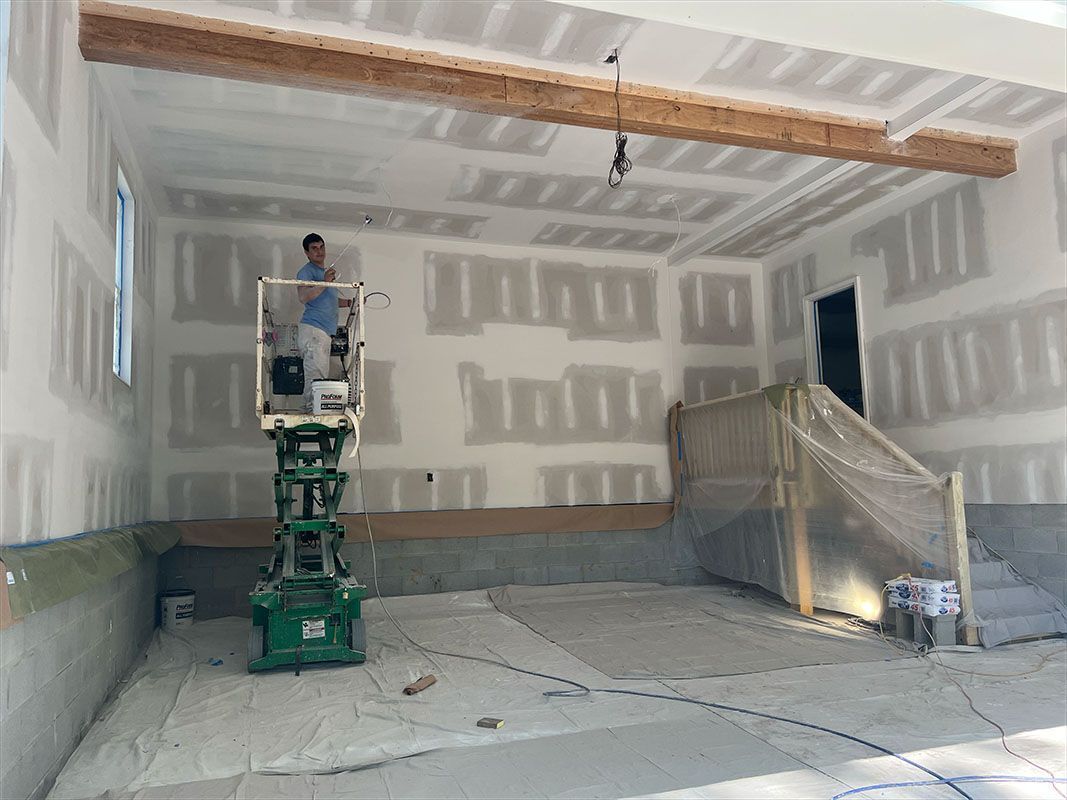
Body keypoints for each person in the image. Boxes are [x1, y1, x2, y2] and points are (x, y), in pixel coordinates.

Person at [295, 233, 353, 411]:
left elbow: (328, 301)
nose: (319, 251)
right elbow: (304, 297)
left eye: (321, 247)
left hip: (323, 332)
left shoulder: (323, 273)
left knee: (319, 373)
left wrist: (350, 303)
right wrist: (325, 282)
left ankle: (313, 409)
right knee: (316, 375)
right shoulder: (307, 271)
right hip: (314, 330)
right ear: (307, 252)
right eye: (314, 248)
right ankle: (311, 411)